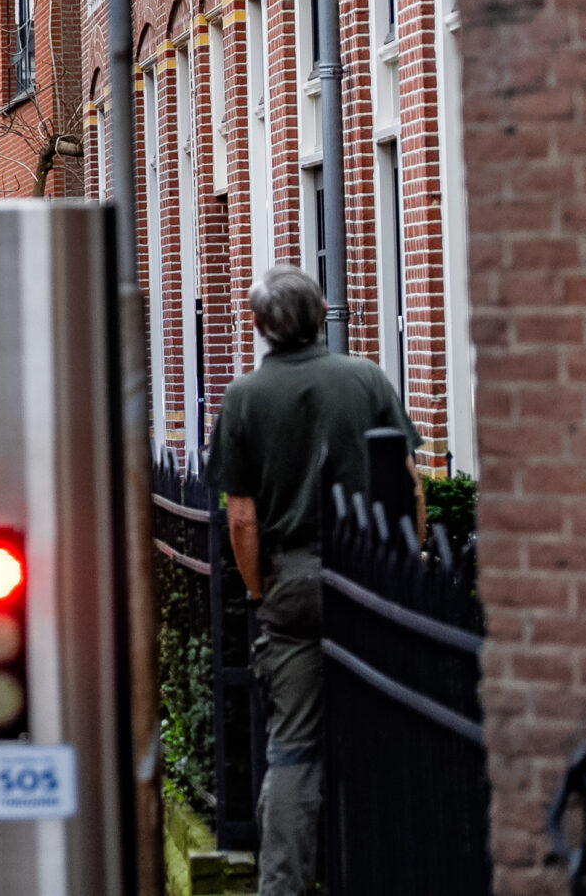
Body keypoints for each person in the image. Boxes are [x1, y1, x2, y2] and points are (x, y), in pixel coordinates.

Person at [207, 267, 426, 896]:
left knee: (295, 745)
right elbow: (409, 483)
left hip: (294, 582)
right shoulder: (366, 379)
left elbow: (241, 515)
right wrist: (406, 568)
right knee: (387, 724)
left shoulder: (245, 397)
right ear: (323, 312)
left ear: (258, 325)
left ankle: (286, 885)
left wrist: (258, 590)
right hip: (373, 580)